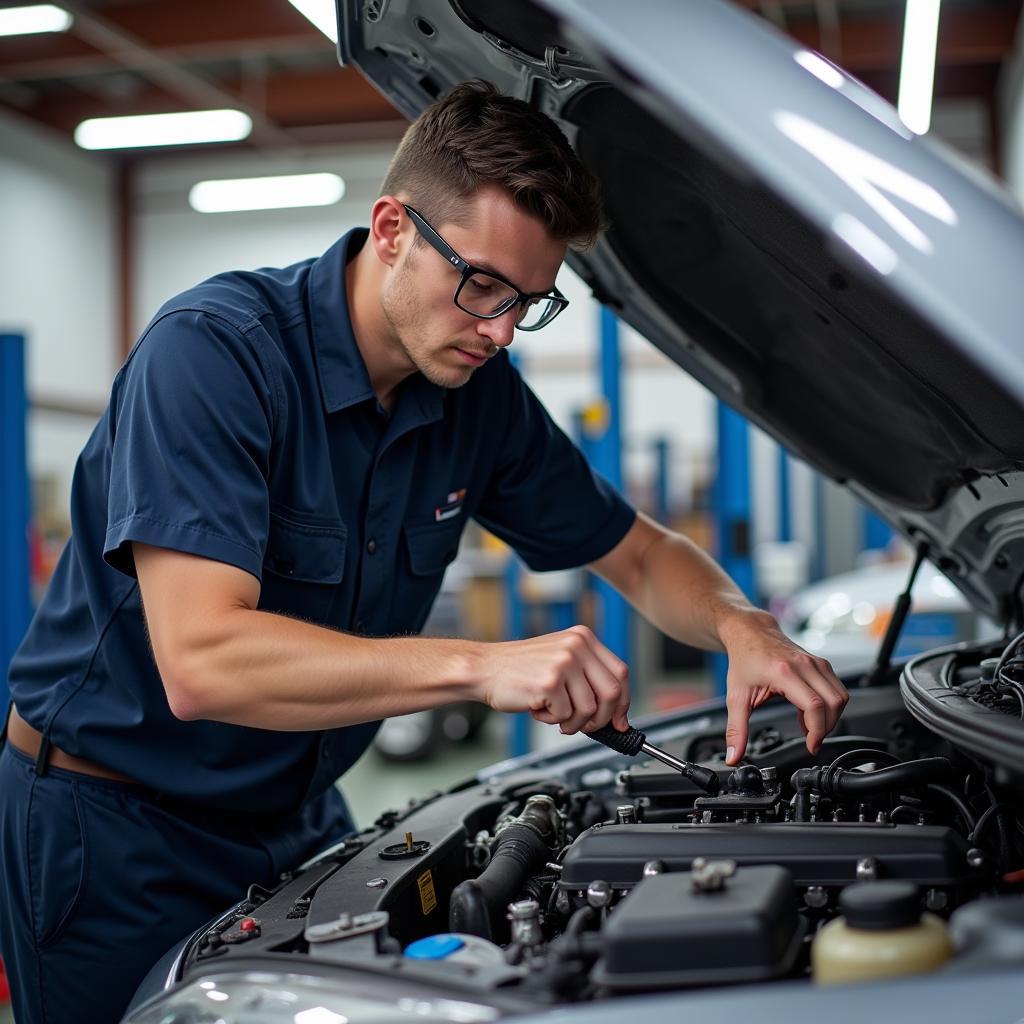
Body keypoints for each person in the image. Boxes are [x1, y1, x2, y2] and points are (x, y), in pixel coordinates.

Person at [0, 79, 848, 1023]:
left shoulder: (477, 397)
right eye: (481, 283)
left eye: (530, 302)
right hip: (116, 828)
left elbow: (639, 555)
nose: (499, 329)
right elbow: (204, 661)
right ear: (393, 228)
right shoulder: (214, 356)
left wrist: (741, 621)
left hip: (297, 810)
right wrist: (484, 667)